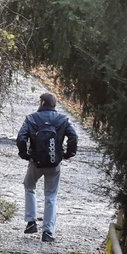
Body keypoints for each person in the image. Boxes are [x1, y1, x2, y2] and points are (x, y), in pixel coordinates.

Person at [16, 92, 78, 243]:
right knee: (51, 196)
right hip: (54, 163)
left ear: (43, 102)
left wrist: (24, 154)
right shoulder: (62, 119)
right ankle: (48, 232)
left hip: (35, 162)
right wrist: (68, 154)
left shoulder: (31, 118)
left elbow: (21, 138)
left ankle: (31, 222)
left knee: (29, 186)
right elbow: (74, 137)